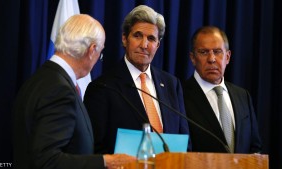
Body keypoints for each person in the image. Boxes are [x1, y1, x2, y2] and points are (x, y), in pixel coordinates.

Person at [13, 14, 135, 169]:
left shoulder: (39, 79)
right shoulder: (59, 90)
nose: (98, 59)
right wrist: (106, 161)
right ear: (92, 50)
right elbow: (47, 160)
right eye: (100, 54)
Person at [84, 5, 191, 154]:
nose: (144, 45)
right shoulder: (102, 87)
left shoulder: (172, 84)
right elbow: (95, 147)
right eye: (137, 36)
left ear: (158, 45)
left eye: (151, 38)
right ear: (124, 39)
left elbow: (185, 142)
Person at [183, 26, 262, 153]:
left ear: (228, 57)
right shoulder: (180, 95)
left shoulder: (242, 96)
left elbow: (255, 148)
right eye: (204, 52)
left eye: (217, 51)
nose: (211, 59)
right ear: (193, 58)